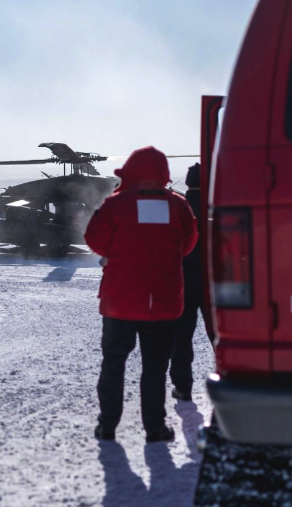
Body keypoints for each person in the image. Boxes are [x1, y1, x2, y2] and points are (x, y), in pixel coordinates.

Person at [84, 146, 197, 443]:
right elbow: (188, 243)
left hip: (119, 300)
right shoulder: (179, 206)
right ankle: (155, 428)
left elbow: (94, 239)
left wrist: (118, 255)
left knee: (113, 363)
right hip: (163, 300)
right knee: (156, 368)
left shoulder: (115, 204)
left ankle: (107, 426)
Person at [169, 163, 213, 401]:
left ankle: (183, 386)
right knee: (219, 335)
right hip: (212, 282)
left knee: (181, 338)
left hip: (183, 281)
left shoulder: (179, 207)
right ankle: (228, 378)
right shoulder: (216, 207)